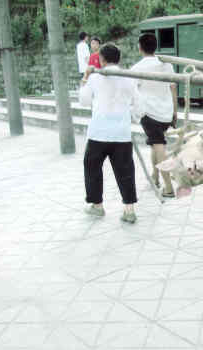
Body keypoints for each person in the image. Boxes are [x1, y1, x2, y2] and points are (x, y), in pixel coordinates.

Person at [79, 43, 141, 224]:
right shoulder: (128, 78)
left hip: (98, 132)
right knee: (126, 171)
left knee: (92, 168)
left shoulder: (95, 78)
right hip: (121, 133)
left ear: (101, 59)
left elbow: (83, 101)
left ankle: (97, 206)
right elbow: (139, 104)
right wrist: (132, 117)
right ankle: (129, 210)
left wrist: (85, 77)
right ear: (119, 59)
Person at [131, 33, 178, 198]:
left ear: (140, 47)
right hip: (165, 112)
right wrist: (174, 111)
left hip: (149, 113)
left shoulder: (136, 68)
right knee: (155, 144)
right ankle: (155, 177)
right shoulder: (166, 65)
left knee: (159, 147)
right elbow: (173, 88)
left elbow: (132, 92)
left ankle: (169, 187)